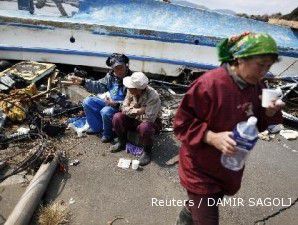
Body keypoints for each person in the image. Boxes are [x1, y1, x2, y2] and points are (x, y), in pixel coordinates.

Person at [174, 32, 285, 225]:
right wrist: (211, 137)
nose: (264, 72)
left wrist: (268, 114)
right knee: (207, 216)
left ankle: (185, 218)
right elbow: (181, 123)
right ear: (240, 58)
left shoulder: (257, 85)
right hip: (200, 169)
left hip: (228, 166)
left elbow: (255, 124)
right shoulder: (209, 84)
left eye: (269, 66)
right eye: (260, 65)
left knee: (205, 204)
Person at [69, 53, 132, 143]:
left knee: (106, 111)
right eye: (115, 68)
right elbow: (99, 86)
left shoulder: (132, 80)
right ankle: (96, 128)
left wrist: (115, 104)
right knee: (87, 101)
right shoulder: (111, 77)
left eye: (121, 67)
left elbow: (133, 102)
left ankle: (108, 134)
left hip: (122, 107)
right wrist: (82, 81)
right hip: (110, 102)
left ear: (126, 65)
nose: (119, 71)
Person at [111, 72, 162, 166]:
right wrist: (139, 111)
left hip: (148, 123)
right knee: (117, 117)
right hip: (135, 118)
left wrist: (130, 110)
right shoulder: (130, 91)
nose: (128, 89)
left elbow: (149, 119)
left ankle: (147, 151)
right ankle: (122, 141)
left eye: (131, 87)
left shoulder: (153, 96)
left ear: (138, 89)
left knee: (145, 127)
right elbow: (123, 107)